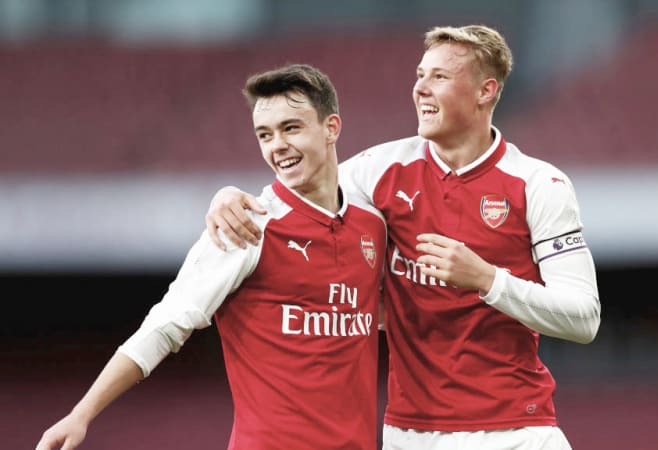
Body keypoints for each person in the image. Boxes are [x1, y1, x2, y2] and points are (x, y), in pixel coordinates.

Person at [206, 25, 601, 450]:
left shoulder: (538, 183)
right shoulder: (379, 169)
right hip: (410, 435)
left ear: (486, 91)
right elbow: (297, 195)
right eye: (419, 75)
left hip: (517, 433)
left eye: (439, 77)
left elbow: (583, 319)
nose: (420, 89)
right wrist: (230, 197)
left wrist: (487, 279)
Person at [35, 64, 386, 450]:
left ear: (331, 128)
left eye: (291, 128)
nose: (276, 146)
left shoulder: (371, 226)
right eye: (264, 135)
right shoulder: (244, 226)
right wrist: (81, 414)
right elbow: (166, 324)